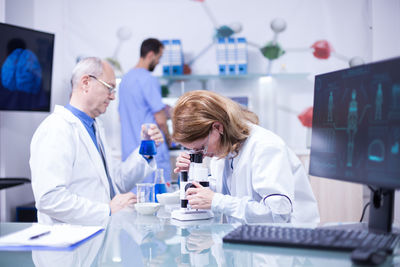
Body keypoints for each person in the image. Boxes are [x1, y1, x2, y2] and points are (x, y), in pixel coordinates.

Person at [30, 57, 164, 226]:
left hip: (96, 236)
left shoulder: (94, 127)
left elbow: (117, 182)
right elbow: (49, 198)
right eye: (110, 88)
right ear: (85, 83)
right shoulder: (56, 129)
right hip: (68, 243)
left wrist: (146, 149)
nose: (113, 97)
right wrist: (106, 209)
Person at [173, 90, 320, 224]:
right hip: (248, 239)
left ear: (217, 128)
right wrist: (192, 177)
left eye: (201, 147)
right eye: (195, 151)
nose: (203, 154)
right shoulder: (224, 150)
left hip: (287, 243)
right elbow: (224, 191)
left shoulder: (266, 147)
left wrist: (216, 201)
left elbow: (278, 213)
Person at [118, 38, 172, 185]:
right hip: (152, 150)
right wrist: (169, 139)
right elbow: (160, 119)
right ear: (150, 55)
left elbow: (122, 116)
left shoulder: (125, 80)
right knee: (159, 199)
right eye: (159, 57)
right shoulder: (148, 79)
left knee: (136, 199)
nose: (159, 62)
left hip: (131, 153)